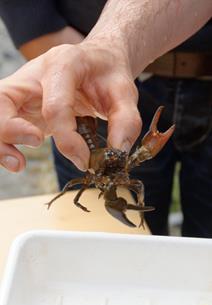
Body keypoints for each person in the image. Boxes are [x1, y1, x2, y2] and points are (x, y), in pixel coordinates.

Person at [0, 1, 211, 237]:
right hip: (99, 96)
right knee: (106, 241)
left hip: (114, 73)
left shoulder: (119, 161)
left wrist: (108, 49)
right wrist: (37, 31)